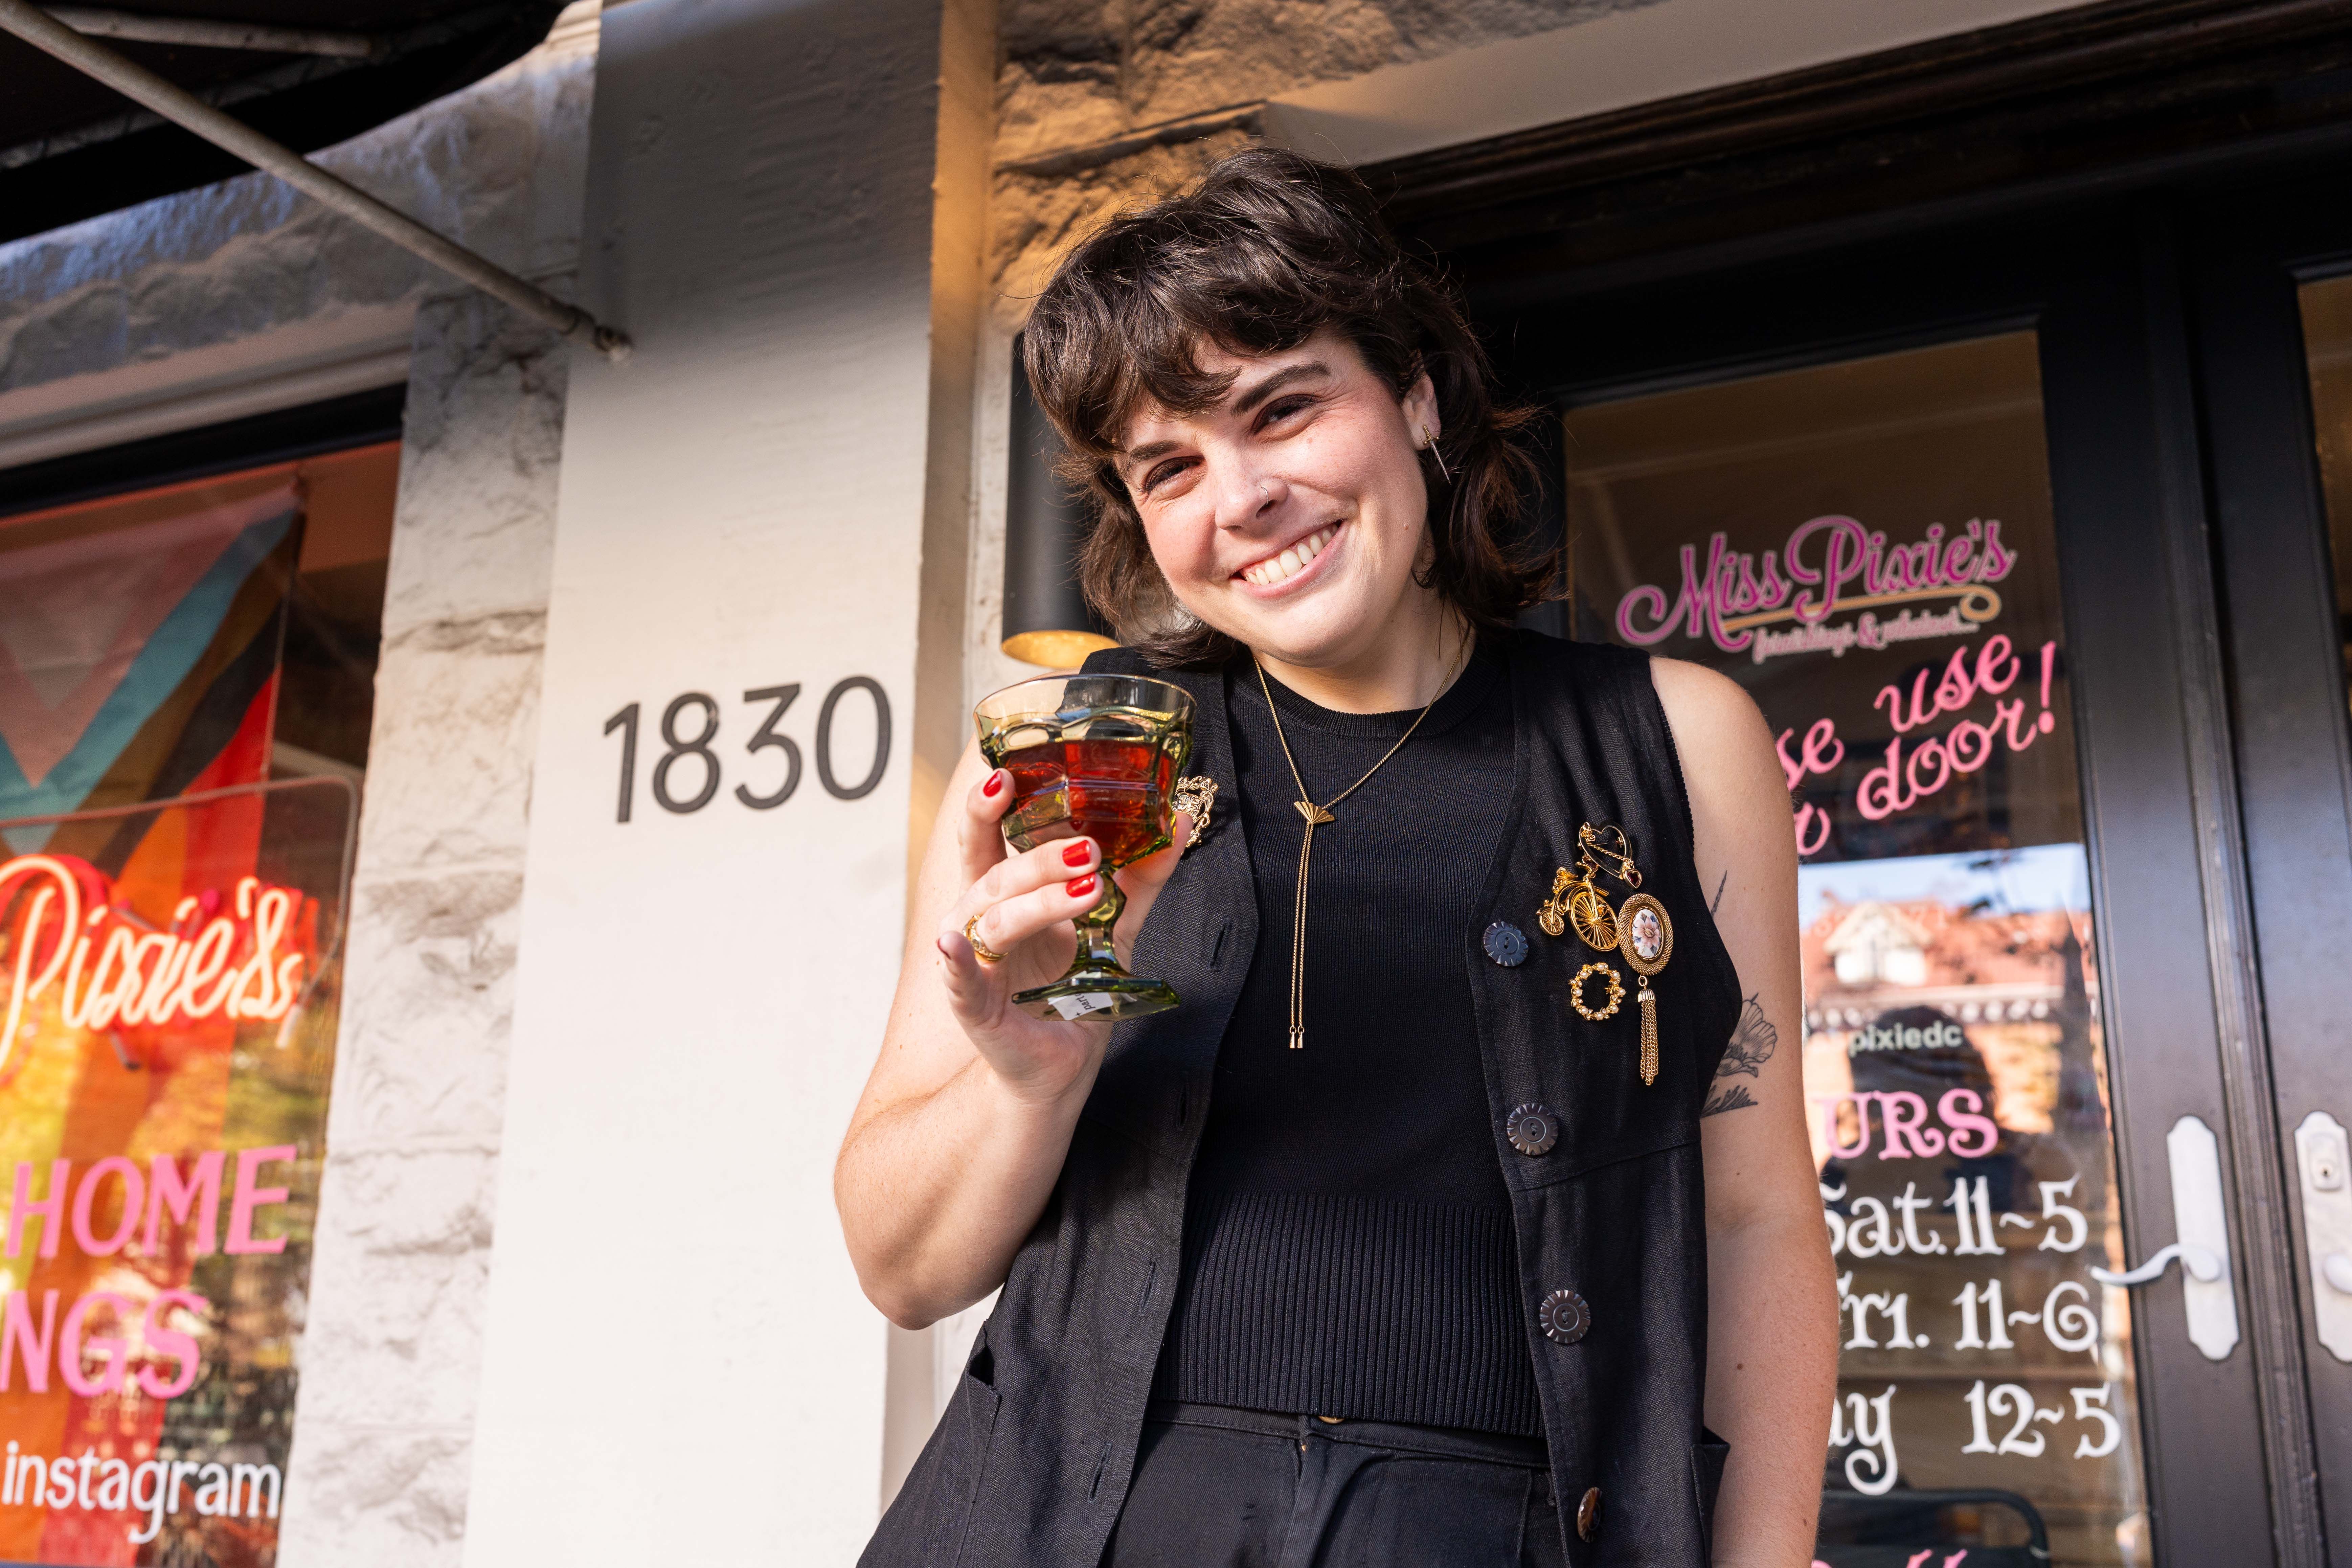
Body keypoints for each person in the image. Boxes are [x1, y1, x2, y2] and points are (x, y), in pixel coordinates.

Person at [838, 147, 1837, 1567]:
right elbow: (903, 1267)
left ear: (1415, 397)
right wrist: (1032, 1077)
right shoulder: (1072, 760)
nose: (1238, 497)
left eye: (1282, 410)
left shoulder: (1676, 739)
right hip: (1089, 1523)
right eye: (1169, 464)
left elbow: (1750, 1217)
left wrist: (1767, 1555)